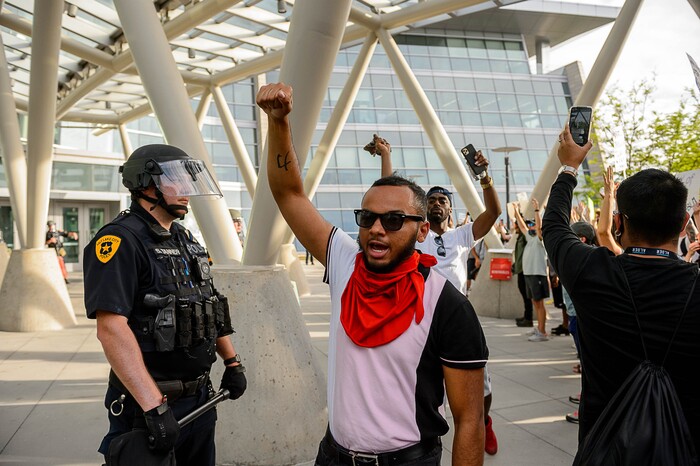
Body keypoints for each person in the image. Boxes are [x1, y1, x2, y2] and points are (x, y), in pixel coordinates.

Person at [258, 82, 488, 465]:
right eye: (368, 218)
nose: (378, 229)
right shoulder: (346, 263)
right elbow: (290, 195)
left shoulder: (447, 306)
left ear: (423, 230)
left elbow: (470, 421)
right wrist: (279, 122)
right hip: (333, 456)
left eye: (395, 220)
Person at [83, 144, 247, 465]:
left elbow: (209, 305)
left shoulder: (184, 238)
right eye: (177, 180)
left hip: (199, 401)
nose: (187, 190)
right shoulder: (120, 241)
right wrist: (153, 406)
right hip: (147, 407)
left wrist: (232, 362)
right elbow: (111, 329)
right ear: (146, 183)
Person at [542, 124, 700, 453]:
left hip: (605, 448)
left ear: (618, 223)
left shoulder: (592, 271)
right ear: (684, 223)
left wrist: (569, 167)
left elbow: (554, 226)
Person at [377, 134, 502, 455]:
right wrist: (385, 157)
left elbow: (493, 212)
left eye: (442, 199)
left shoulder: (463, 234)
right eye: (430, 199)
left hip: (458, 318)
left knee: (479, 383)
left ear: (450, 208)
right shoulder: (414, 235)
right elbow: (390, 201)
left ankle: (483, 421)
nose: (436, 202)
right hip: (417, 317)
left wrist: (484, 177)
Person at [512, 199, 549, 342]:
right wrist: (516, 210)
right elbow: (522, 226)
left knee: (539, 304)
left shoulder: (541, 239)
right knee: (535, 302)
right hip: (529, 275)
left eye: (534, 224)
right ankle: (539, 328)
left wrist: (537, 211)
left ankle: (542, 332)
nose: (532, 227)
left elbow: (539, 228)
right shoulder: (530, 238)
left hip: (537, 275)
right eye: (531, 224)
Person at [512, 221, 535, 328]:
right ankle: (526, 316)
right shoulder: (520, 237)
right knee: (524, 294)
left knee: (527, 295)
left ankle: (528, 319)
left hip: (524, 269)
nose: (514, 227)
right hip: (520, 269)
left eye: (516, 225)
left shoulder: (526, 237)